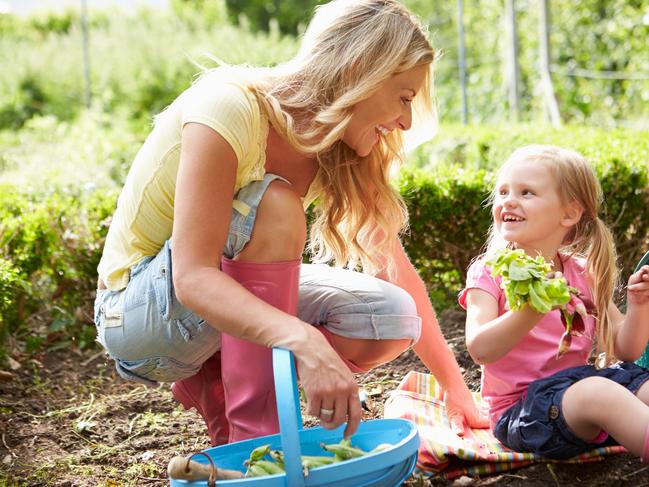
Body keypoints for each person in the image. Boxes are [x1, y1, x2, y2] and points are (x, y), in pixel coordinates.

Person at [93, 0, 487, 447]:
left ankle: (219, 378)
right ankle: (261, 443)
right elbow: (192, 278)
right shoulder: (230, 108)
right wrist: (304, 340)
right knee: (277, 206)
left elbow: (391, 264)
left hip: (203, 304)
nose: (406, 120)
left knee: (394, 316)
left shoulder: (341, 144)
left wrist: (457, 392)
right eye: (403, 97)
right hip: (139, 317)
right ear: (361, 69)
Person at [459, 144, 649, 460]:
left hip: (576, 397)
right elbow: (480, 347)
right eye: (503, 191)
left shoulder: (581, 272)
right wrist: (531, 310)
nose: (508, 200)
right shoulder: (489, 272)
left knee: (634, 383)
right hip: (522, 411)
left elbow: (625, 349)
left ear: (570, 213)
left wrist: (639, 305)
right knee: (599, 392)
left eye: (526, 192)